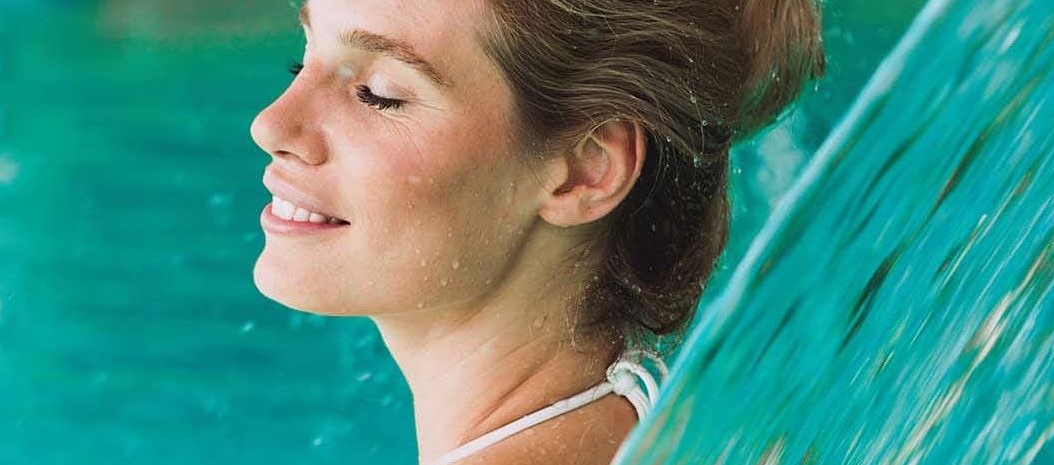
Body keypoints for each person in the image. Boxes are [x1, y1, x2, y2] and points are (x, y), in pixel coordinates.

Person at [248, 0, 823, 463]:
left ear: (585, 170)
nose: (271, 124)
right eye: (304, 59)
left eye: (378, 94)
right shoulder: (667, 426)